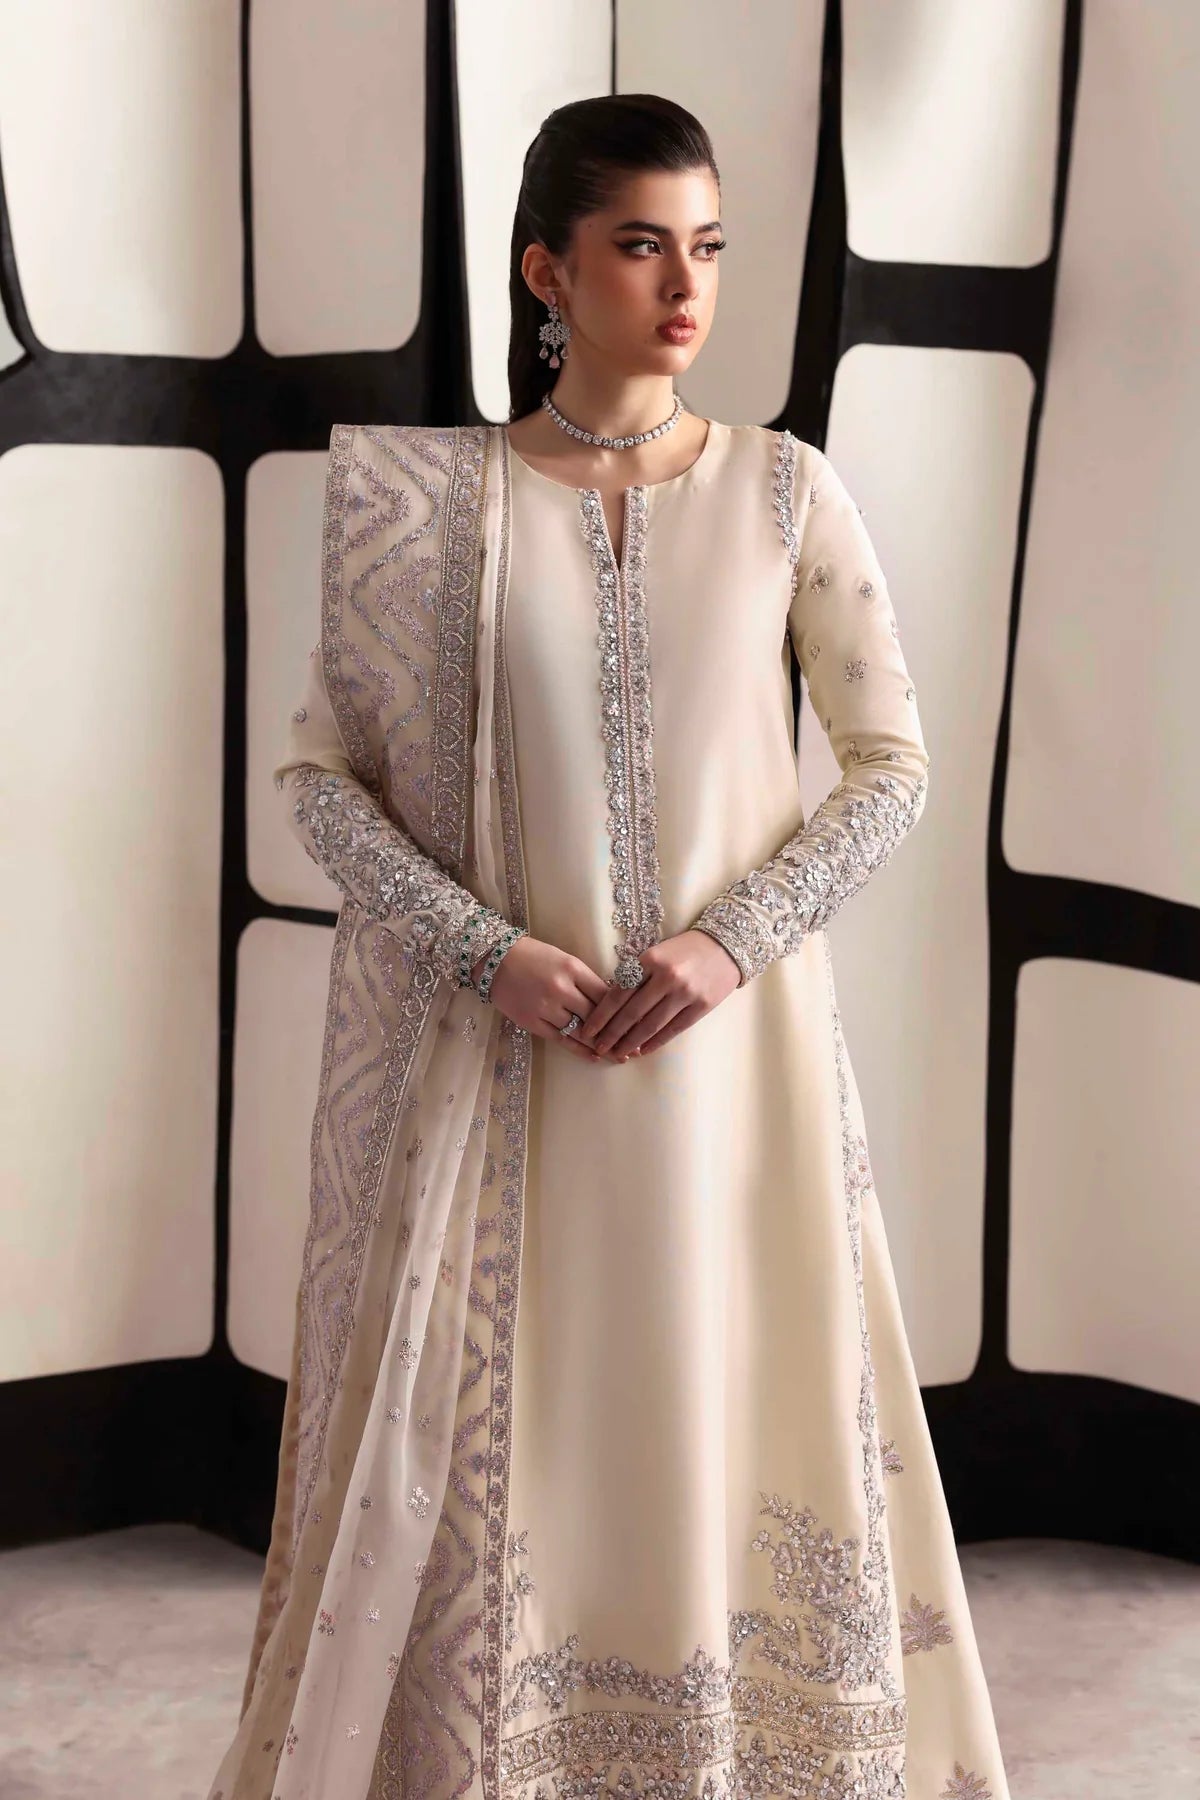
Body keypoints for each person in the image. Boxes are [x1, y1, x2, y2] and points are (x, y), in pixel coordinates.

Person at [207, 93, 1010, 1800]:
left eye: (706, 245)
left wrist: (733, 942)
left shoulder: (786, 493)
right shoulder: (429, 508)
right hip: (506, 1084)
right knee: (529, 1444)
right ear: (548, 274)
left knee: (727, 1404)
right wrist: (478, 947)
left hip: (736, 1088)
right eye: (642, 245)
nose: (685, 284)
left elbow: (892, 767)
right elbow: (319, 781)